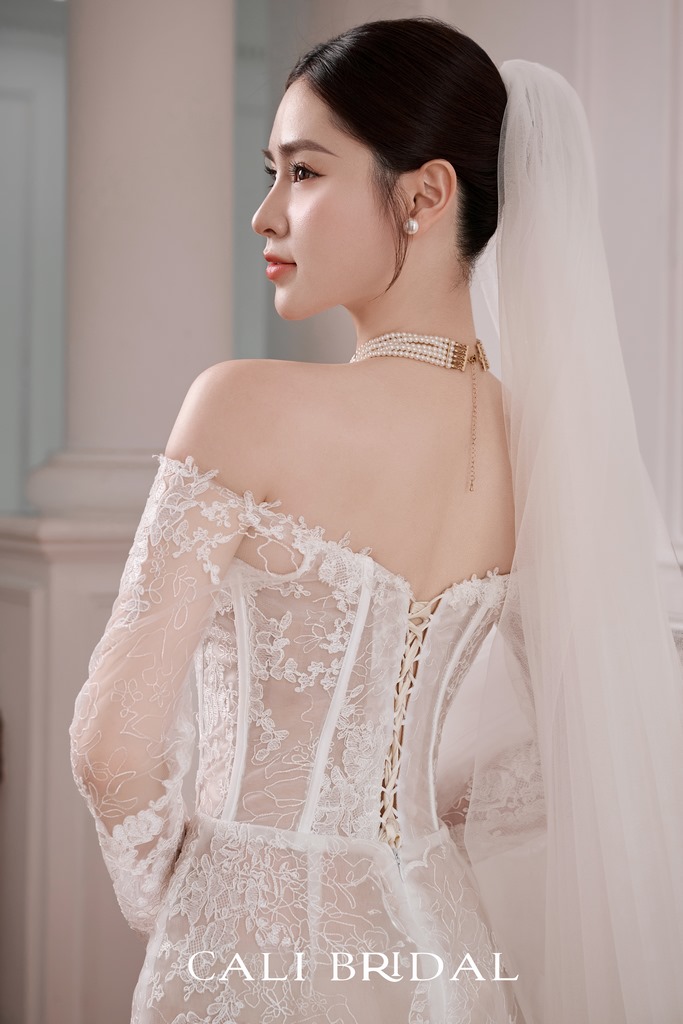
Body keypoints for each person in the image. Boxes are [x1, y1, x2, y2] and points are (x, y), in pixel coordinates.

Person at [68, 16, 683, 1024]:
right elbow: (556, 751)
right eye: (270, 173)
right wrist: (398, 815)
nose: (266, 213)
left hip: (259, 958)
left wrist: (186, 901)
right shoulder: (533, 443)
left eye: (304, 173)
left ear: (425, 195)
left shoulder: (241, 405)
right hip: (448, 954)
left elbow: (110, 747)